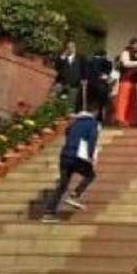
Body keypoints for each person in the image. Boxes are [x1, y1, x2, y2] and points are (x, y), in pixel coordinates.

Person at [40, 86, 103, 223]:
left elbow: (68, 133)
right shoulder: (92, 123)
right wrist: (91, 156)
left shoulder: (75, 122)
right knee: (90, 175)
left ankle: (48, 213)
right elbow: (91, 140)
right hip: (77, 155)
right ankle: (75, 195)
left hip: (65, 154)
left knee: (62, 185)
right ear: (95, 112)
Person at [112, 38, 137, 127]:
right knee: (123, 101)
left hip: (134, 81)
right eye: (136, 44)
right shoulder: (125, 53)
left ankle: (132, 120)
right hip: (125, 80)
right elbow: (125, 63)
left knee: (133, 102)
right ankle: (121, 119)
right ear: (131, 44)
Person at [81, 48, 113, 124]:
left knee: (91, 103)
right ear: (104, 55)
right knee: (101, 104)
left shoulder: (89, 61)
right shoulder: (105, 61)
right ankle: (100, 119)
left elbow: (85, 73)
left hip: (91, 85)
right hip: (101, 85)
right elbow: (108, 71)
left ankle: (90, 119)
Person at [52, 40, 85, 109]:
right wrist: (63, 56)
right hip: (61, 82)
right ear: (66, 48)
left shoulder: (81, 57)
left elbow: (84, 69)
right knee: (55, 99)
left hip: (74, 84)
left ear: (75, 47)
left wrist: (83, 79)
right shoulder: (62, 56)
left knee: (71, 104)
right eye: (69, 47)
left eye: (72, 46)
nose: (71, 48)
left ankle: (69, 113)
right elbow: (56, 66)